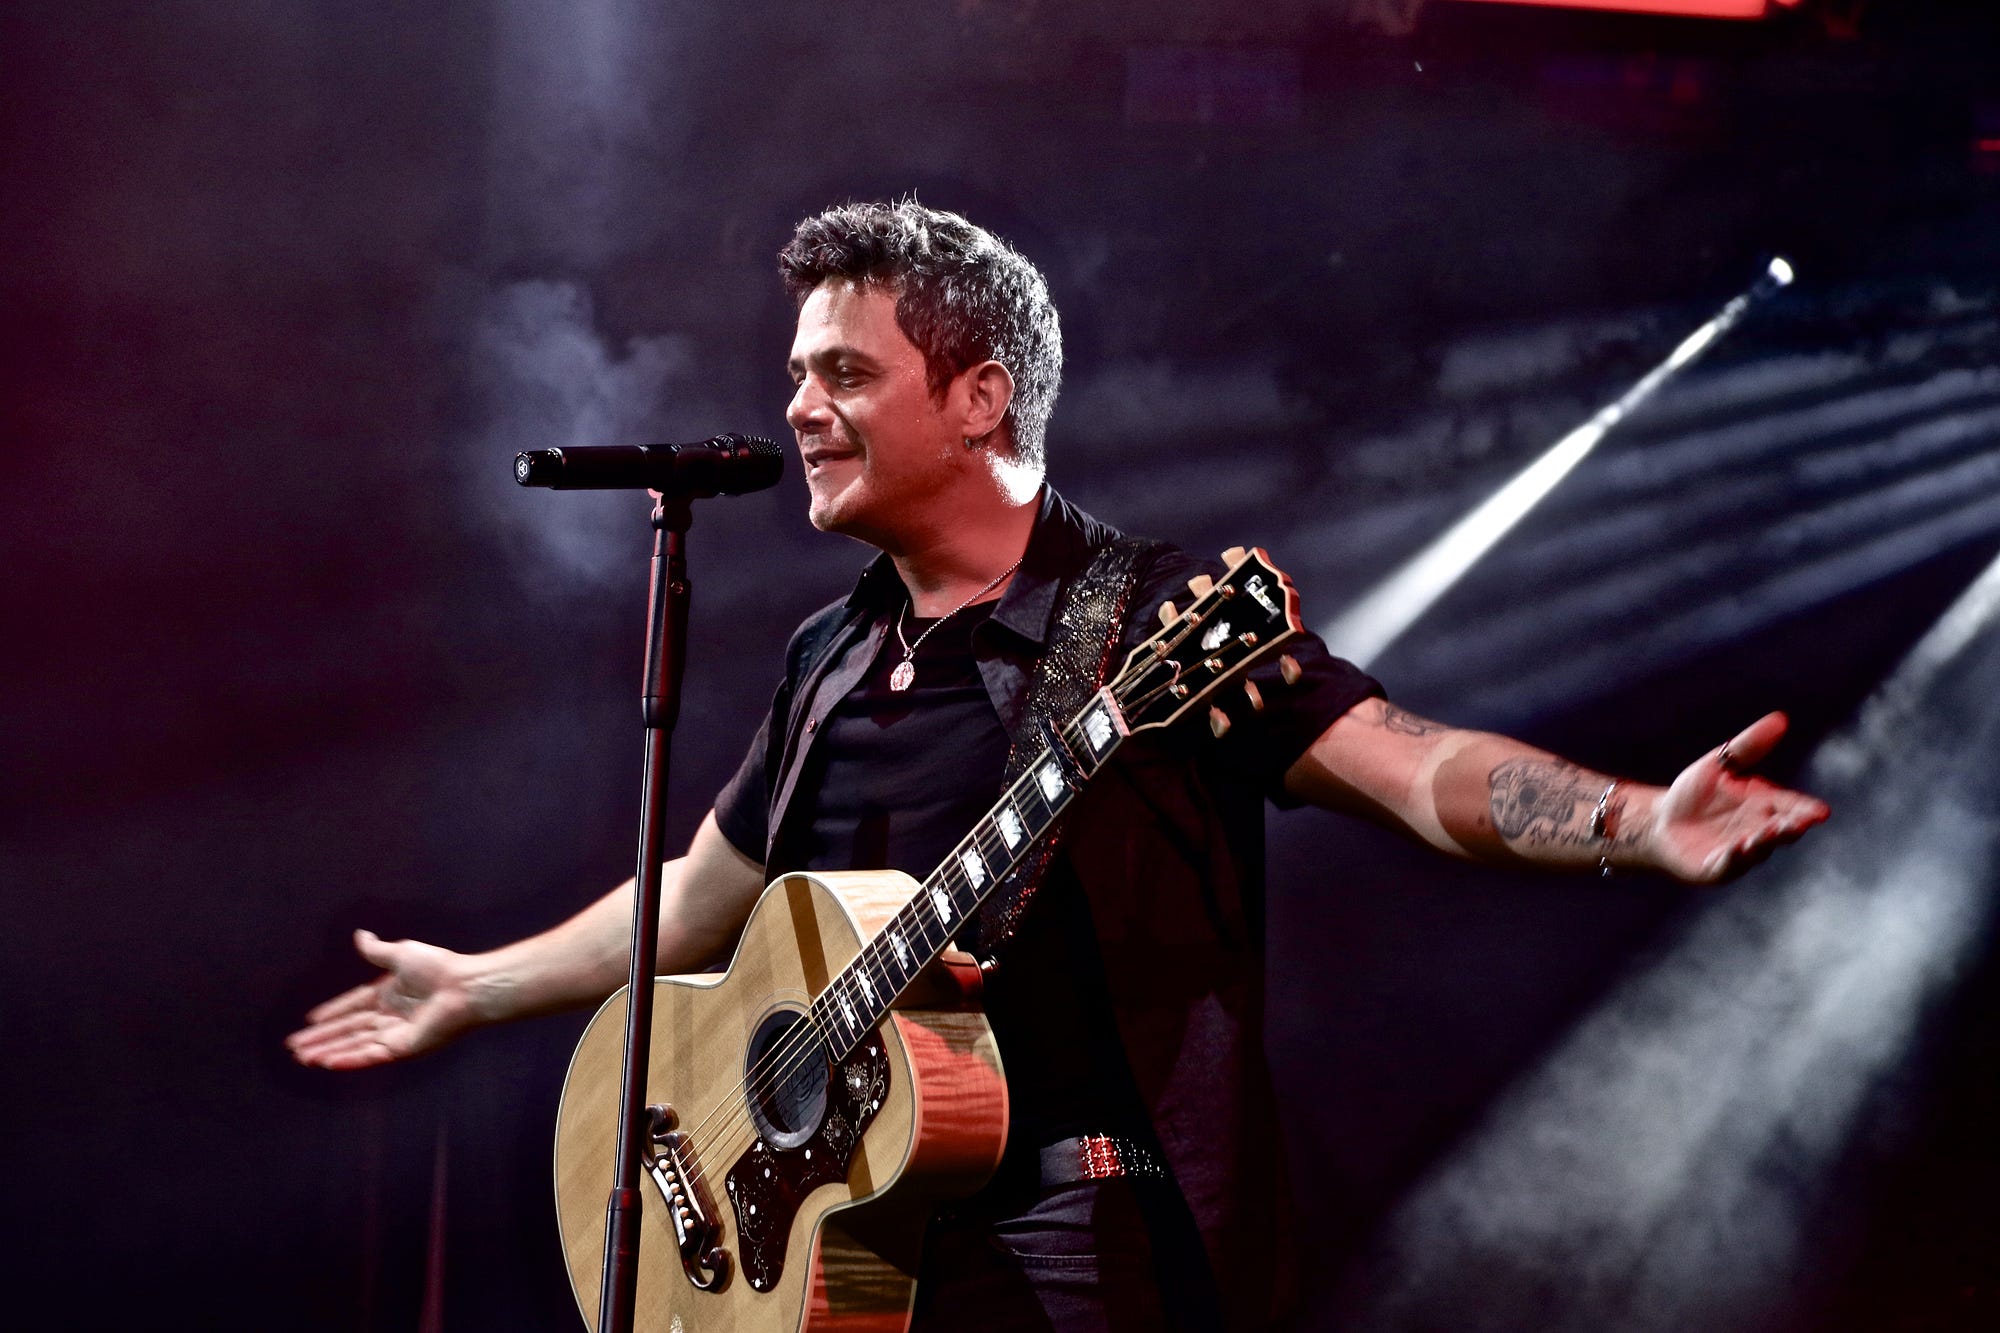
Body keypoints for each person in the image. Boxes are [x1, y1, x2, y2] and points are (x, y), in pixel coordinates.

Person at [287, 199, 1829, 1329]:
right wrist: (474, 985)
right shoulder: (830, 651)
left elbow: (1411, 766)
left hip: (1077, 1238)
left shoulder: (1151, 619)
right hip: (840, 1247)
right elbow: (698, 901)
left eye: (844, 373)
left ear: (980, 397)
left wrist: (1637, 818)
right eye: (798, 372)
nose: (798, 407)